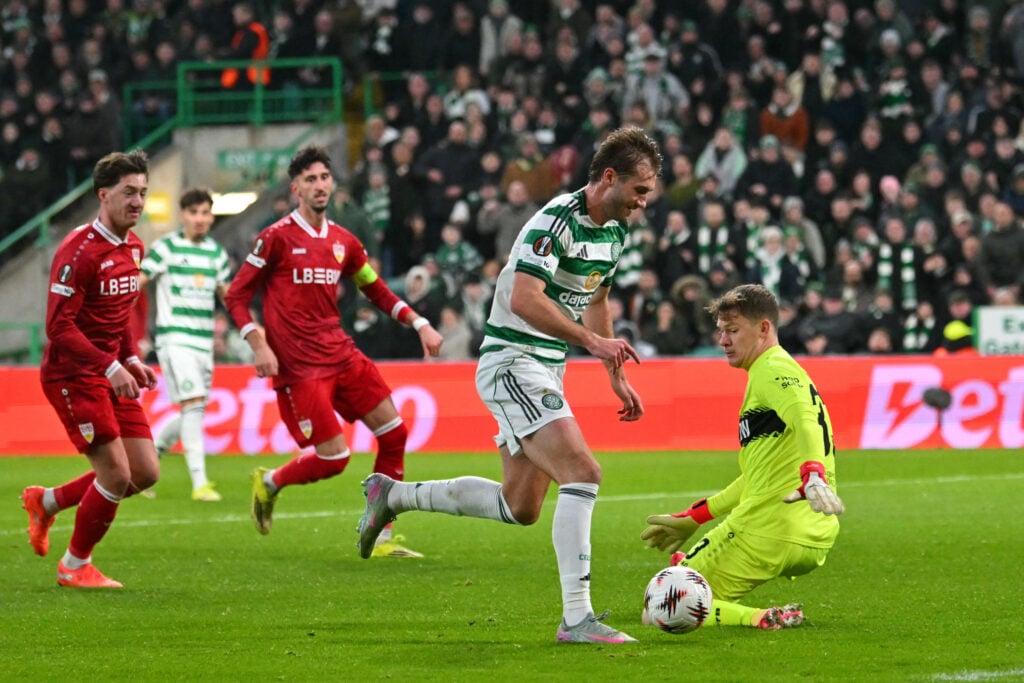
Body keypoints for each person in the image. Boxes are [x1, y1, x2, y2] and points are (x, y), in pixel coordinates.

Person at [357, 127, 662, 644]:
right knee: (583, 472)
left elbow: (598, 297)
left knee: (520, 506)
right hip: (511, 361)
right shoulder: (555, 222)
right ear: (608, 178)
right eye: (640, 189)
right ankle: (577, 618)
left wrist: (616, 373)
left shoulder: (612, 232)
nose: (643, 201)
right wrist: (591, 342)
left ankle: (393, 495)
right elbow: (523, 298)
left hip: (544, 367)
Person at [224, 145, 444, 558]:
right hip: (300, 366)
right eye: (310, 179)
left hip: (341, 353)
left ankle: (379, 535)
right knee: (335, 459)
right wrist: (258, 343)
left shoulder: (345, 243)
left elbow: (375, 289)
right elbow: (237, 296)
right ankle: (270, 482)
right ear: (296, 189)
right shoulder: (274, 238)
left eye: (324, 177)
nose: (319, 185)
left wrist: (420, 323)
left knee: (394, 433)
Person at [640, 284, 844, 629]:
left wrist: (812, 473)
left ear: (764, 328)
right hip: (814, 532)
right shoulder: (779, 371)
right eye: (720, 331)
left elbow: (805, 419)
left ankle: (762, 619)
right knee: (682, 578)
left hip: (768, 529)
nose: (723, 341)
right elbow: (756, 477)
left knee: (661, 606)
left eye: (733, 330)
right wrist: (696, 516)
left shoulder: (771, 369)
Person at [20, 150, 160, 588]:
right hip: (72, 375)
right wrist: (110, 365)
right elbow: (57, 327)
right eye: (127, 193)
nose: (137, 202)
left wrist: (131, 358)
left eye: (142, 193)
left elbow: (116, 318)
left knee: (144, 473)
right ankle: (75, 566)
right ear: (103, 194)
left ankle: (46, 502)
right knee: (116, 475)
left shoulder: (134, 247)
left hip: (110, 368)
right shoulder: (78, 251)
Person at [139, 188, 231, 502]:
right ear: (183, 215)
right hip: (174, 340)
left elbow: (227, 295)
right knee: (192, 404)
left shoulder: (217, 254)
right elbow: (138, 281)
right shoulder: (165, 248)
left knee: (194, 410)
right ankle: (200, 483)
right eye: (194, 213)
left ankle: (143, 465)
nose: (200, 219)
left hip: (203, 343)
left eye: (205, 213)